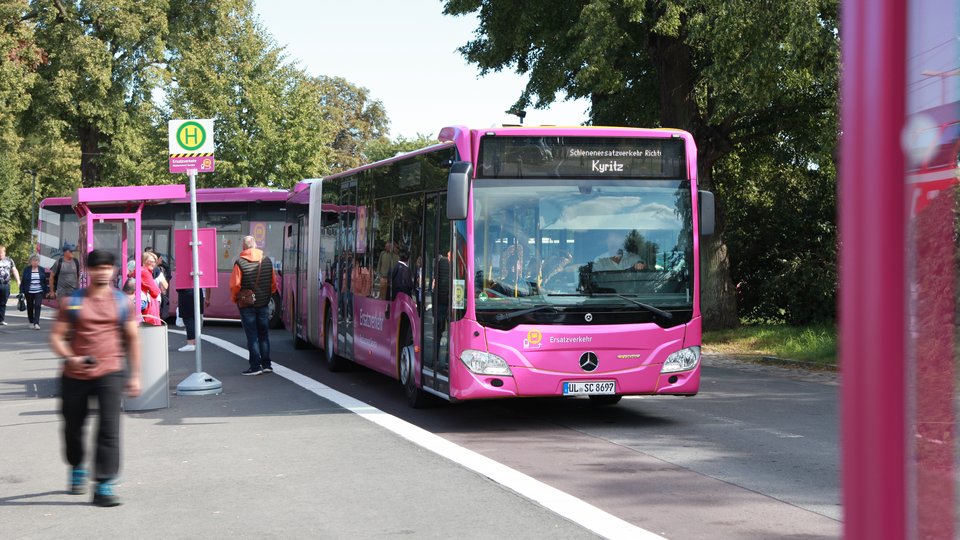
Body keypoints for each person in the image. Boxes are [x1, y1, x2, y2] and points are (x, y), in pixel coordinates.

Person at [49, 249, 140, 507]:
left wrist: (135, 375)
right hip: (75, 374)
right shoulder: (74, 302)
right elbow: (56, 337)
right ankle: (77, 466)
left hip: (110, 372)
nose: (102, 272)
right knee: (73, 427)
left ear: (113, 271)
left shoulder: (123, 302)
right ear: (88, 271)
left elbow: (132, 339)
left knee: (109, 429)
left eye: (107, 267)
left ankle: (104, 485)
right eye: (97, 267)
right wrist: (71, 357)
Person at [230, 235, 278, 376]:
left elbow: (235, 285)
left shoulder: (239, 263)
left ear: (244, 247)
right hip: (264, 304)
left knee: (252, 336)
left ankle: (255, 366)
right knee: (264, 334)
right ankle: (267, 364)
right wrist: (267, 295)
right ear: (255, 245)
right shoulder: (267, 261)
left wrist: (235, 299)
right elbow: (273, 284)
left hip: (247, 304)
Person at [176, 286, 209, 352]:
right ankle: (195, 342)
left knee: (188, 318)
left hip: (186, 291)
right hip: (197, 291)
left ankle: (191, 342)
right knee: (194, 317)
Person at [21, 254, 49, 329]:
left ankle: (36, 323)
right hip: (29, 291)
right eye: (34, 260)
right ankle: (31, 321)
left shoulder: (42, 269)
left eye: (37, 261)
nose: (35, 262)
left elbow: (45, 282)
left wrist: (47, 292)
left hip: (39, 291)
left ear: (38, 262)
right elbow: (23, 282)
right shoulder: (27, 269)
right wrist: (21, 292)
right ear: (30, 262)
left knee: (37, 305)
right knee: (30, 307)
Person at [0, 245, 21, 326]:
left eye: (1, 253)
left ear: (4, 252)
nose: (0, 255)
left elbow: (14, 270)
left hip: (5, 284)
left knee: (3, 303)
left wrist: (18, 281)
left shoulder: (9, 260)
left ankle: (1, 320)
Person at [139, 252, 162, 325]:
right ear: (143, 261)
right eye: (151, 261)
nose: (153, 264)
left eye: (155, 261)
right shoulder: (144, 272)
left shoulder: (141, 271)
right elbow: (155, 292)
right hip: (148, 304)